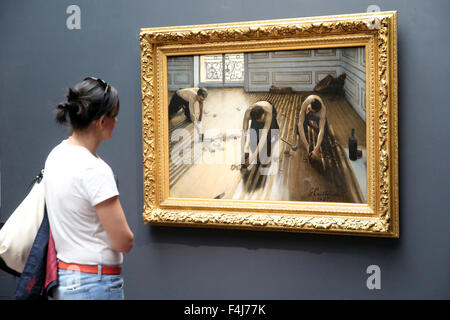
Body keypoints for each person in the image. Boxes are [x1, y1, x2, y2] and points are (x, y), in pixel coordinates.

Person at [44, 77, 134, 300]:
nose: (117, 121)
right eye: (114, 116)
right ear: (101, 121)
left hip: (65, 279)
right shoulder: (95, 170)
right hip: (95, 284)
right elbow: (123, 240)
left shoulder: (55, 156)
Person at [241, 101, 280, 167]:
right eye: (260, 120)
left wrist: (252, 157)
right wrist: (242, 152)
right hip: (257, 114)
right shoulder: (248, 113)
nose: (262, 121)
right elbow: (244, 134)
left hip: (269, 111)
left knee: (267, 138)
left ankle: (275, 127)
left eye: (262, 119)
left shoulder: (268, 113)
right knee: (254, 136)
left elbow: (263, 137)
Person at [297, 94, 328, 161]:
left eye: (311, 112)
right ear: (309, 104)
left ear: (316, 112)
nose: (308, 112)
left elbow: (321, 130)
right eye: (308, 109)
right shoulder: (306, 103)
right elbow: (300, 125)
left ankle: (312, 117)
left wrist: (316, 149)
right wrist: (307, 145)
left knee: (324, 133)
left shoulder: (322, 112)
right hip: (307, 108)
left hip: (317, 115)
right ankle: (307, 121)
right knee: (300, 128)